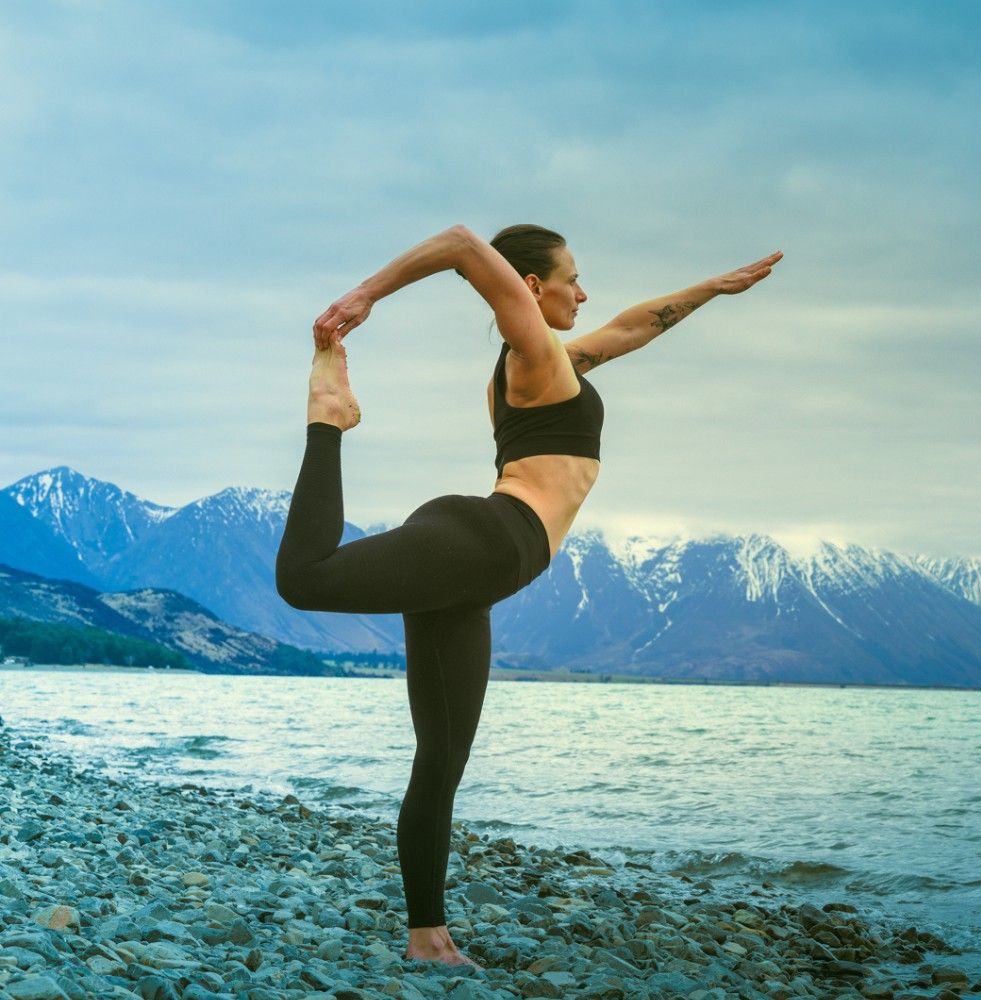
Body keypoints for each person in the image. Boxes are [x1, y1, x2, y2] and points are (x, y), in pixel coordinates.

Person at [275, 223, 781, 968]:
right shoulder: (533, 353)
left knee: (441, 756)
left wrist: (712, 287)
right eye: (571, 278)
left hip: (474, 565)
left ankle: (429, 938)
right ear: (530, 289)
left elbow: (633, 327)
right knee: (304, 579)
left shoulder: (556, 362)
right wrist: (366, 295)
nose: (584, 292)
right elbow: (458, 244)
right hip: (485, 540)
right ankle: (329, 418)